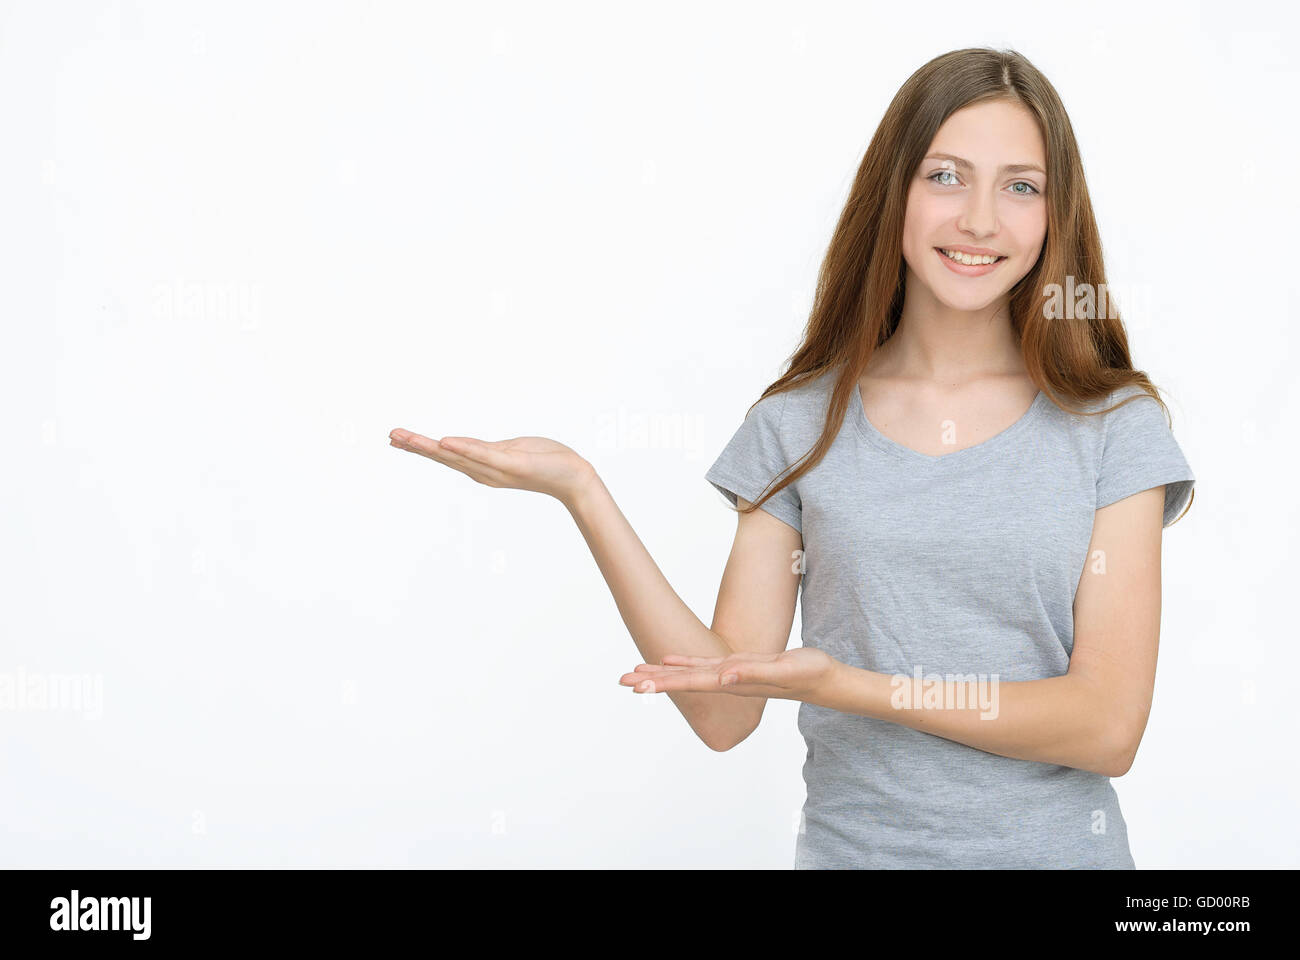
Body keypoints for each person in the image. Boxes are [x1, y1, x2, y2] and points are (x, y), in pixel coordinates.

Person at [388, 47, 1195, 869]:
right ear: (895, 193)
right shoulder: (799, 423)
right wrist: (583, 492)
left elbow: (1107, 728)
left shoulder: (1109, 426)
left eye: (1021, 186)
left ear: (1056, 215)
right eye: (945, 176)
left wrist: (850, 689)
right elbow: (723, 711)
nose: (981, 219)